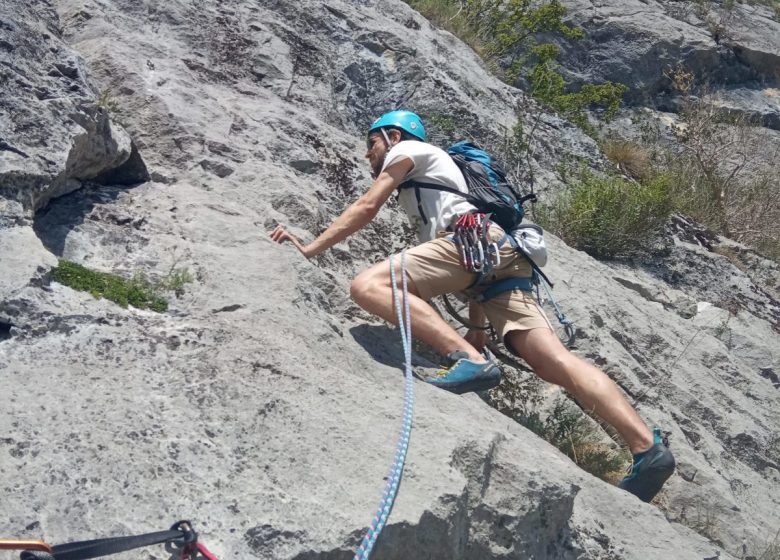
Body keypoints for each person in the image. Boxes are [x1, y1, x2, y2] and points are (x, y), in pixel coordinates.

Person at [270, 110, 675, 502]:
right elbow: (472, 267)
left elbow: (367, 206)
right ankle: (647, 448)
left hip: (472, 243)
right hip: (499, 254)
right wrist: (478, 329)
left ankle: (467, 359)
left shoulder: (405, 152)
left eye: (372, 143)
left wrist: (311, 248)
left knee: (369, 285)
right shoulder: (437, 178)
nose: (367, 154)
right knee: (555, 361)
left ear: (394, 136)